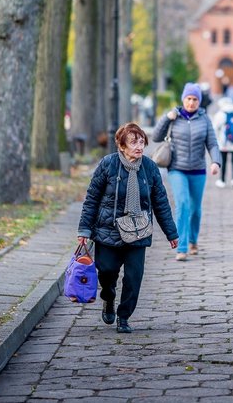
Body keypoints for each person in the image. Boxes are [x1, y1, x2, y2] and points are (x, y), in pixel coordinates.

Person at [77, 123, 179, 334]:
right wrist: (84, 230)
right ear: (121, 145)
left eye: (142, 141)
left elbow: (160, 202)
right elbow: (92, 199)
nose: (139, 146)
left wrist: (171, 233)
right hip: (108, 231)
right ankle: (109, 298)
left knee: (134, 278)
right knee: (106, 272)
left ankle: (124, 317)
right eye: (134, 142)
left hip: (138, 231)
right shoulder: (108, 164)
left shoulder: (149, 168)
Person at [151, 83, 221, 261]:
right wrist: (167, 118)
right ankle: (181, 247)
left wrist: (216, 162)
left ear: (199, 101)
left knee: (196, 209)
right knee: (182, 204)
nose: (191, 102)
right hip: (177, 169)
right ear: (183, 99)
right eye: (189, 99)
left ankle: (193, 240)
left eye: (195, 99)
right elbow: (156, 137)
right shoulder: (174, 117)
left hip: (198, 170)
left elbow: (212, 143)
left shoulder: (205, 119)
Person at [212, 97, 233, 188]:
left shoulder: (220, 114)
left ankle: (222, 180)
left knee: (224, 161)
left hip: (224, 143)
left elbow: (215, 129)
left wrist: (217, 140)